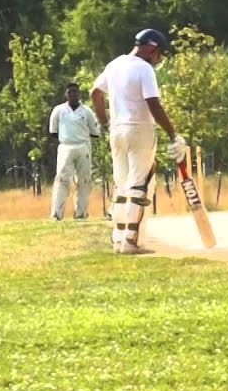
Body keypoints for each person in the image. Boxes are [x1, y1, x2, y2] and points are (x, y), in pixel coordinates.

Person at [90, 29, 189, 254]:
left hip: (117, 131)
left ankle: (118, 239)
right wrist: (173, 134)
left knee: (121, 185)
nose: (159, 59)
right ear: (152, 49)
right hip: (140, 130)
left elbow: (95, 93)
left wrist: (106, 122)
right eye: (159, 54)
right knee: (138, 186)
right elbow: (153, 104)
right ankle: (131, 242)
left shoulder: (114, 64)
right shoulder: (144, 69)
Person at [48, 82, 103, 220]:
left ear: (79, 94)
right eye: (69, 92)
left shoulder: (87, 111)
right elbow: (53, 132)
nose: (72, 94)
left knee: (84, 180)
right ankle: (56, 213)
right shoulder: (58, 110)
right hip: (65, 146)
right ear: (65, 95)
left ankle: (81, 213)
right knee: (62, 179)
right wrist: (67, 138)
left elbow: (95, 132)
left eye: (75, 92)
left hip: (83, 146)